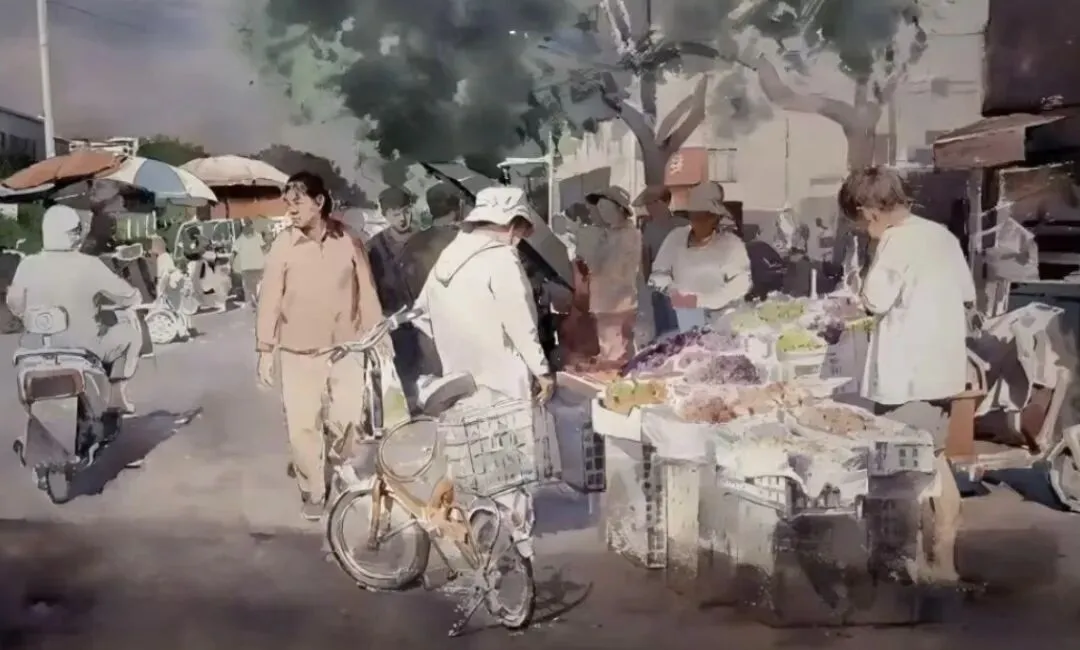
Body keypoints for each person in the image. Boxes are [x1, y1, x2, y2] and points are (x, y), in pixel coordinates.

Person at [837, 166, 973, 584]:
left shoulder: (897, 241)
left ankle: (914, 568)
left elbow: (873, 301)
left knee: (905, 476)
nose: (862, 229)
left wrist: (862, 278)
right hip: (942, 373)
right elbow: (967, 297)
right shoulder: (941, 236)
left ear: (869, 212)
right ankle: (942, 562)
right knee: (935, 462)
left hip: (908, 378)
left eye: (858, 222)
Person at [256, 171, 387, 521]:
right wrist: (265, 350)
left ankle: (338, 464)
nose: (290, 210)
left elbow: (367, 290)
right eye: (288, 204)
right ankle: (313, 489)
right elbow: (270, 298)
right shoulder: (283, 245)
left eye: (297, 203)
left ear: (319, 202)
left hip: (346, 349)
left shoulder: (349, 241)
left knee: (348, 421)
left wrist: (378, 337)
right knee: (303, 426)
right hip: (297, 352)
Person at [415, 186, 554, 403]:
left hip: (458, 379)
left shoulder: (448, 254)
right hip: (505, 382)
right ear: (512, 225)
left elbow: (421, 314)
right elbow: (520, 321)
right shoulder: (502, 258)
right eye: (522, 230)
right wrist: (542, 370)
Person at [6, 205, 144, 412]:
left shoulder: (28, 264)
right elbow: (127, 296)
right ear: (74, 234)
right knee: (131, 335)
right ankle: (117, 397)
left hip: (34, 348)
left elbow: (14, 303)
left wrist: (29, 315)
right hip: (85, 347)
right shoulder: (90, 264)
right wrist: (134, 297)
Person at [648, 182, 751, 331]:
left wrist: (703, 301)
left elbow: (741, 284)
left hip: (721, 320)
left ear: (716, 217)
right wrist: (674, 293)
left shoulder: (731, 244)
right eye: (695, 216)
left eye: (705, 216)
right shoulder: (676, 238)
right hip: (683, 317)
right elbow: (658, 273)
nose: (699, 221)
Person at [233, 219, 267, 308]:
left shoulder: (240, 240)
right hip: (258, 267)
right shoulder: (258, 237)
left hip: (248, 268)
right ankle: (257, 303)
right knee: (258, 286)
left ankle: (253, 304)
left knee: (250, 289)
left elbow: (234, 254)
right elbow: (264, 250)